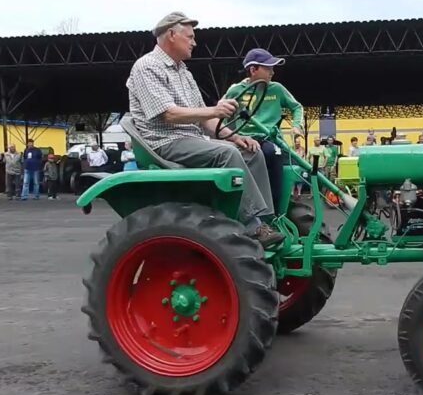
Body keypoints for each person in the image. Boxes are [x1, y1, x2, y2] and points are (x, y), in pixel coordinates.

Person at [126, 12, 283, 247]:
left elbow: (205, 121)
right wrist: (214, 111)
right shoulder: (147, 66)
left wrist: (237, 136)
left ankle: (265, 220)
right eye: (190, 37)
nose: (194, 42)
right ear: (171, 35)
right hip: (165, 142)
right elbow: (167, 114)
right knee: (227, 153)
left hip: (191, 138)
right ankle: (253, 226)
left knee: (252, 150)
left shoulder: (183, 73)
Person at [223, 47, 305, 214]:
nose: (272, 72)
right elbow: (223, 118)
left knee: (278, 155)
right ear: (253, 70)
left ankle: (276, 210)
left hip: (269, 138)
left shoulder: (277, 89)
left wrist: (297, 126)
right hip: (245, 140)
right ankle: (260, 212)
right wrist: (232, 137)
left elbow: (297, 107)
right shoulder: (235, 91)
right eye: (268, 68)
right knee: (260, 155)